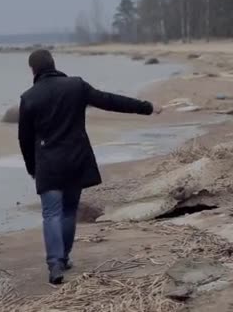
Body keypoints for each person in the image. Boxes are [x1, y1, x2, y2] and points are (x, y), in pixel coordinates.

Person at [18, 49, 161, 284]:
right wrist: (146, 107)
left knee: (51, 213)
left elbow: (24, 139)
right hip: (76, 160)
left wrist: (32, 168)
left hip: (49, 164)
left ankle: (55, 266)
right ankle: (63, 258)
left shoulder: (29, 97)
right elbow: (109, 100)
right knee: (68, 212)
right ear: (54, 64)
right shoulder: (76, 86)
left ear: (33, 70)